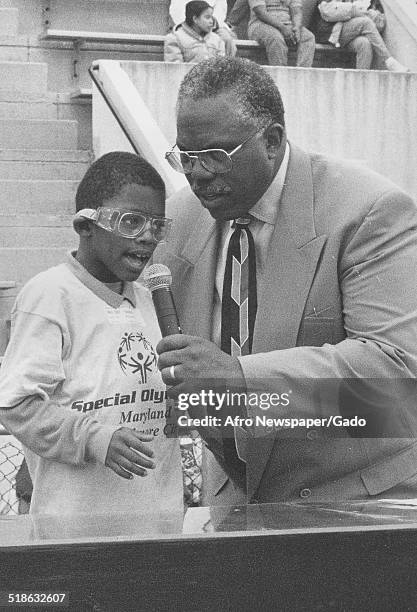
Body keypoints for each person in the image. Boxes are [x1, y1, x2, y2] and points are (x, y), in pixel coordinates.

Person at [156, 56, 417, 507]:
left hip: (357, 500)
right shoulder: (179, 218)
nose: (197, 174)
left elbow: (395, 387)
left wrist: (241, 379)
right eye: (186, 156)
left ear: (272, 141)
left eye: (215, 156)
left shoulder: (369, 210)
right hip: (236, 497)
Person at [0, 152, 183, 515]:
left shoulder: (153, 302)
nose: (147, 237)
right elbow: (16, 404)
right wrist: (97, 438)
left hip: (159, 528)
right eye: (132, 222)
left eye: (157, 226)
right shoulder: (50, 295)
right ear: (85, 225)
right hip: (75, 536)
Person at [315, 0, 409, 71]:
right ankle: (388, 60)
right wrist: (355, 10)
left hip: (350, 34)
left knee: (364, 43)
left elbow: (379, 23)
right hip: (331, 33)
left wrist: (365, 13)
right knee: (365, 22)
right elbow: (327, 12)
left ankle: (362, 79)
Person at [247, 0, 315, 67]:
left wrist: (296, 27)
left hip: (288, 24)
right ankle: (280, 75)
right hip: (260, 24)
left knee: (308, 37)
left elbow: (297, 12)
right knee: (275, 38)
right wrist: (282, 28)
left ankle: (302, 75)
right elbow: (260, 12)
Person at [169, 0, 237, 56]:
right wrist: (194, 23)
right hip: (189, 25)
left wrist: (209, 23)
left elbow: (220, 12)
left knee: (227, 39)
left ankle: (228, 69)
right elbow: (176, 12)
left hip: (213, 26)